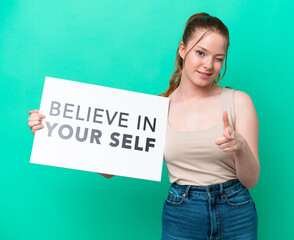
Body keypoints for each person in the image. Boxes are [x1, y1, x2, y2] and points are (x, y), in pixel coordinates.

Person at [28, 12, 260, 240]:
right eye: (201, 53)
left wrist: (240, 146)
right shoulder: (156, 110)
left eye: (218, 58)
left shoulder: (238, 101)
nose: (208, 65)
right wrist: (54, 129)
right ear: (182, 49)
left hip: (236, 210)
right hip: (182, 213)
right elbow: (109, 170)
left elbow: (250, 180)